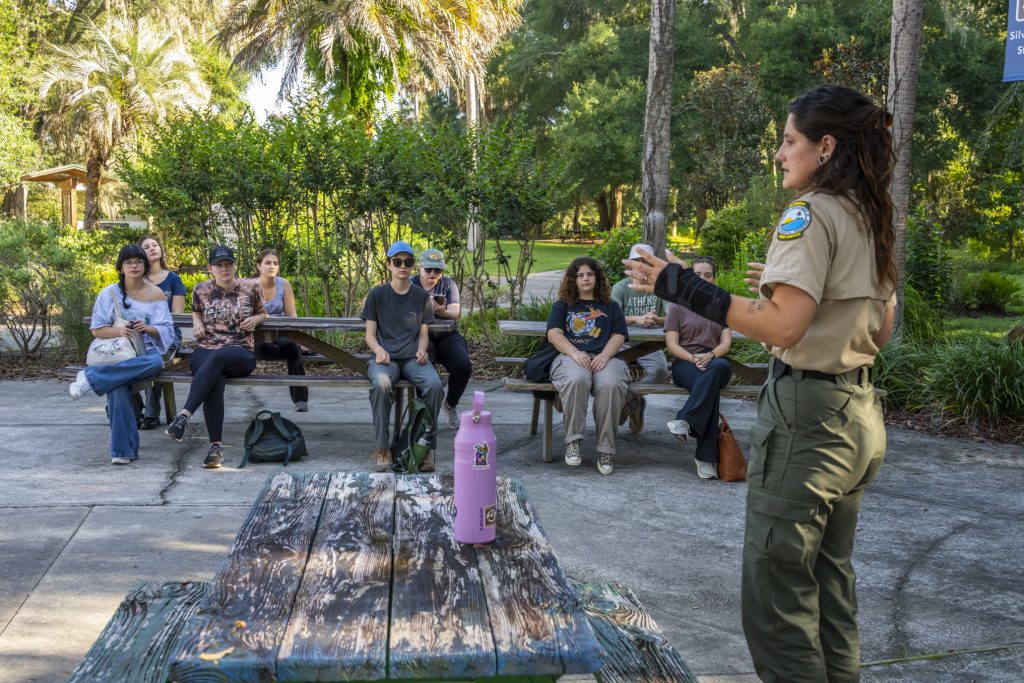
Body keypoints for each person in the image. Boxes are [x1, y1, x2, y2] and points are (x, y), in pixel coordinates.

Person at [626, 84, 896, 682]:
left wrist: (679, 283)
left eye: (788, 140)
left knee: (777, 596)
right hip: (857, 417)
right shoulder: (869, 215)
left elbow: (785, 326)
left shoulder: (812, 213)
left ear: (825, 148)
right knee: (829, 583)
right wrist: (789, 294)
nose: (779, 154)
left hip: (808, 419)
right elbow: (880, 332)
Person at [68, 244, 174, 465]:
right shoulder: (109, 293)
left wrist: (148, 329)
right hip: (119, 350)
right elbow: (96, 329)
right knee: (117, 386)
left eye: (138, 261)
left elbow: (167, 330)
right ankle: (122, 451)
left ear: (145, 266)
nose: (134, 265)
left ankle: (92, 377)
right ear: (121, 267)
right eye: (129, 262)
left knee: (155, 362)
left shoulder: (156, 294)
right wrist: (120, 331)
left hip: (146, 352)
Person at [164, 246, 268, 470]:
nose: (225, 268)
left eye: (228, 263)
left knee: (219, 357)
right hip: (206, 349)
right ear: (211, 268)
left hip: (240, 351)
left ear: (235, 266)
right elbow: (195, 310)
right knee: (215, 379)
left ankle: (183, 416)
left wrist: (256, 321)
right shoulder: (201, 289)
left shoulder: (250, 287)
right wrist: (196, 321)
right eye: (219, 265)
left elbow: (262, 312)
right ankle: (215, 448)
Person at [362, 241, 444, 473]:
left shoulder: (420, 296)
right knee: (381, 384)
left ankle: (426, 447)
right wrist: (378, 350)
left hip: (411, 359)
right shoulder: (377, 294)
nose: (403, 266)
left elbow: (423, 333)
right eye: (397, 262)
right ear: (388, 264)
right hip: (384, 359)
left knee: (435, 385)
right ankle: (383, 448)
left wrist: (422, 350)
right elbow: (369, 335)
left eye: (407, 262)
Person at [546, 256, 630, 475]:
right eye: (580, 275)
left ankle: (606, 449)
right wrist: (574, 352)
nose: (585, 279)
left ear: (597, 277)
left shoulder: (611, 307)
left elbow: (619, 334)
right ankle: (573, 442)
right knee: (577, 379)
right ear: (573, 280)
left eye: (590, 274)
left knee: (611, 384)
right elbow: (554, 333)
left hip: (606, 357)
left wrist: (604, 355)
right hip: (570, 357)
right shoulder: (563, 305)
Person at [663, 256, 734, 479]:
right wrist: (694, 358)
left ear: (714, 278)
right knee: (709, 389)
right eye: (697, 275)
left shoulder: (722, 305)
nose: (702, 279)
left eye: (707, 275)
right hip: (686, 365)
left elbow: (726, 343)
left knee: (716, 369)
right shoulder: (677, 306)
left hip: (715, 362)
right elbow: (672, 345)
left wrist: (710, 355)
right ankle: (705, 458)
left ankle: (685, 419)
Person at [410, 248, 472, 429]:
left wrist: (439, 310)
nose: (433, 274)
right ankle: (424, 415)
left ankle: (450, 404)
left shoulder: (447, 284)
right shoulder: (411, 284)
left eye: (437, 270)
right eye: (428, 269)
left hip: (447, 335)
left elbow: (455, 313)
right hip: (420, 336)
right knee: (423, 366)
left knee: (463, 365)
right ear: (420, 267)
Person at [611, 242, 669, 433]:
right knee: (610, 375)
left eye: (645, 261)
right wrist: (637, 319)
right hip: (622, 343)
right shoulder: (620, 287)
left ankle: (630, 401)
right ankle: (633, 403)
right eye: (636, 261)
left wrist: (656, 319)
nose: (640, 265)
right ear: (629, 265)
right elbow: (613, 318)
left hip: (649, 345)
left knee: (660, 372)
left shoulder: (660, 288)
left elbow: (673, 317)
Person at [136, 235, 187, 429]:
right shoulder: (136, 280)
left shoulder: (173, 279)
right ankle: (133, 410)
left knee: (154, 356)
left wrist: (153, 328)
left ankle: (151, 414)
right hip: (139, 335)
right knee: (122, 358)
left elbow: (177, 316)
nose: (152, 248)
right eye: (146, 247)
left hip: (168, 335)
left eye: (155, 245)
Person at [252, 248, 309, 412]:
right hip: (259, 338)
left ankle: (301, 401)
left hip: (282, 336)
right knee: (260, 347)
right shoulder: (249, 286)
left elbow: (292, 317)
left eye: (275, 263)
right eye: (267, 263)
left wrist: (300, 341)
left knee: (292, 347)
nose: (272, 266)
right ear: (258, 266)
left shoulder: (283, 284)